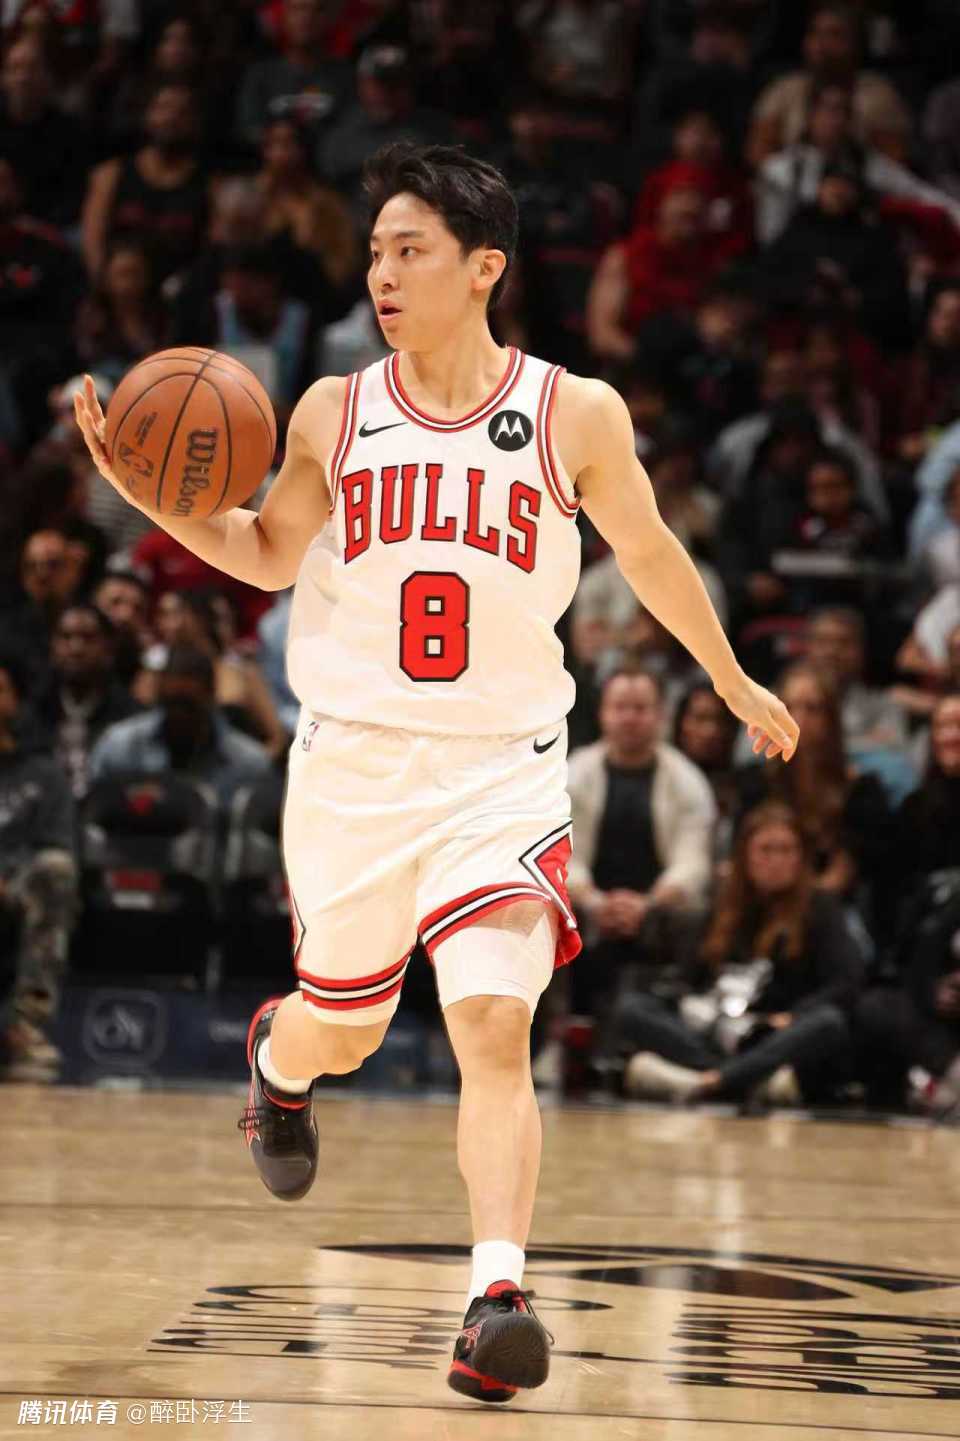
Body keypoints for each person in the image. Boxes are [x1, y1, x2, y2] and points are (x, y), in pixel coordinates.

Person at [74, 140, 798, 1406]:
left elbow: (649, 549)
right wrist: (153, 497)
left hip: (501, 772)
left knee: (493, 1024)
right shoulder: (333, 410)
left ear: (484, 267)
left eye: (409, 250)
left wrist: (731, 679)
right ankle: (280, 1062)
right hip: (353, 771)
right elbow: (265, 552)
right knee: (344, 1030)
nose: (382, 275)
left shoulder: (574, 412)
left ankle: (497, 1297)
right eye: (375, 253)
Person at [619, 802, 863, 1106]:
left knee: (827, 1023)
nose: (776, 861)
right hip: (715, 1026)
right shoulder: (723, 906)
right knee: (632, 1007)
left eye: (786, 850)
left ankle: (708, 1081)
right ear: (745, 856)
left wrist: (792, 1016)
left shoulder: (820, 907)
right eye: (766, 850)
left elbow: (845, 983)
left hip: (771, 1031)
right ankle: (746, 1081)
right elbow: (690, 979)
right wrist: (687, 1004)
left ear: (801, 858)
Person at [565, 666, 716, 1023]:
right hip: (586, 907)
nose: (630, 718)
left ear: (660, 715)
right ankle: (564, 1030)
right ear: (603, 713)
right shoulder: (573, 774)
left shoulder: (688, 781)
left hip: (660, 912)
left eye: (640, 708)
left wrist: (647, 905)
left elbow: (693, 864)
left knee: (695, 915)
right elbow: (561, 854)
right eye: (620, 707)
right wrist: (595, 902)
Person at [0, 651, 77, 1084]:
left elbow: (57, 845)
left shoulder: (43, 775)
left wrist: (7, 875)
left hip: (16, 887)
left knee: (55, 871)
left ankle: (24, 1025)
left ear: (15, 701)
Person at [89, 644, 270, 808]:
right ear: (160, 695)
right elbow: (92, 811)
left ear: (211, 696)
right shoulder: (121, 746)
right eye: (171, 704)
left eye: (188, 706)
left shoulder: (249, 764)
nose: (179, 716)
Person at [37, 603, 141, 799]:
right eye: (66, 637)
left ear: (108, 648)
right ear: (52, 646)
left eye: (88, 638)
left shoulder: (131, 717)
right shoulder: (33, 710)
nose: (76, 648)